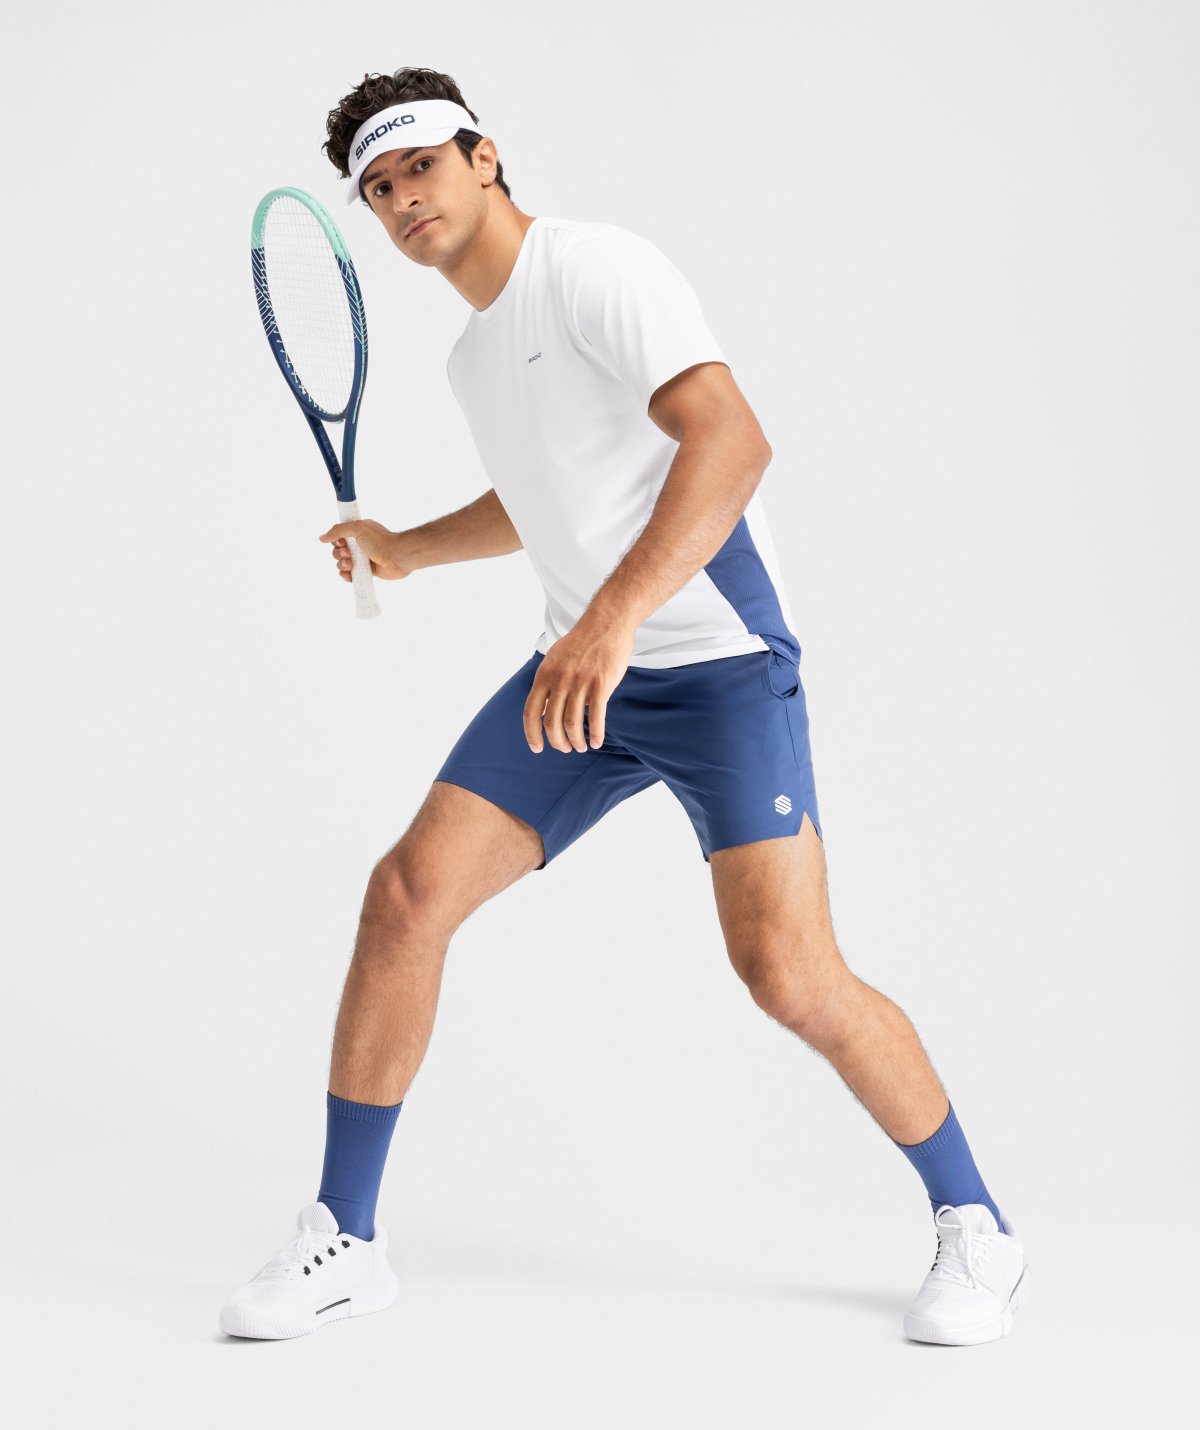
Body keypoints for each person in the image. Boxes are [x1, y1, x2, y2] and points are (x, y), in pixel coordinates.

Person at [219, 67, 1030, 1346]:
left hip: (717, 668)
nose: (402, 198)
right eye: (377, 188)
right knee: (406, 895)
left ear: (484, 157)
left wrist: (610, 620)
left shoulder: (596, 270)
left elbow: (731, 439)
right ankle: (346, 1238)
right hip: (582, 680)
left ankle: (976, 1221)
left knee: (789, 974)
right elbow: (544, 493)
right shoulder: (474, 355)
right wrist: (409, 549)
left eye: (419, 165)